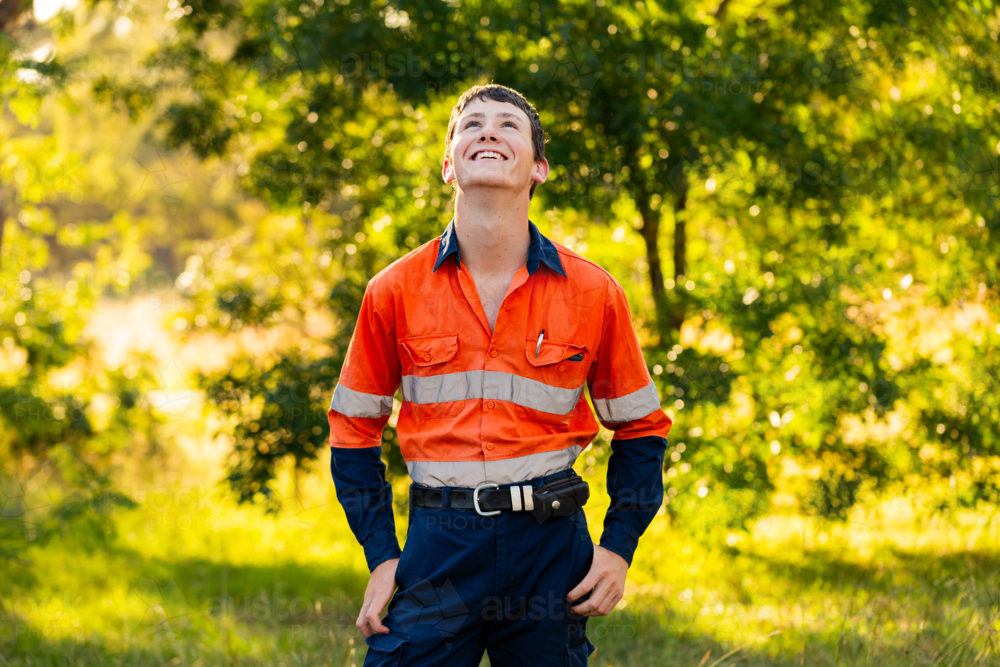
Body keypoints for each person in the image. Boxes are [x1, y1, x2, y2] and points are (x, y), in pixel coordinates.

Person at [327, 84, 672, 667]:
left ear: (539, 167)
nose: (488, 132)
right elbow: (353, 429)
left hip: (549, 548)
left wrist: (617, 550)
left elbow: (641, 429)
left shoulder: (594, 292)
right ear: (448, 164)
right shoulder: (392, 291)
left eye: (508, 125)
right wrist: (384, 556)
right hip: (439, 547)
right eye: (473, 125)